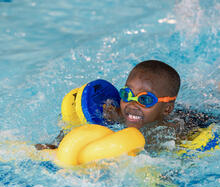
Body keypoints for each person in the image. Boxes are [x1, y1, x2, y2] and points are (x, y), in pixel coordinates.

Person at [35, 60, 218, 152]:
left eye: (145, 100)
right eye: (127, 94)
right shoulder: (116, 113)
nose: (132, 104)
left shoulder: (172, 133)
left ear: (167, 108)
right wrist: (57, 146)